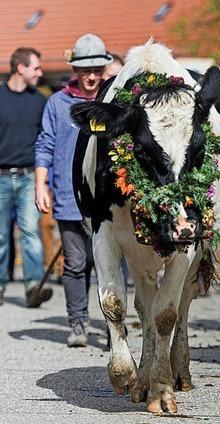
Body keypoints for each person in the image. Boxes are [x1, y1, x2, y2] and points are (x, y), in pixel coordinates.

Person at [35, 34, 112, 347]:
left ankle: (113, 324)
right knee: (76, 263)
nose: (91, 76)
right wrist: (41, 184)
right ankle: (78, 323)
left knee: (109, 266)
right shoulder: (57, 103)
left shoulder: (112, 102)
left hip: (108, 202)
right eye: (85, 71)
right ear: (75, 71)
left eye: (96, 69)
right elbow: (45, 144)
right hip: (68, 196)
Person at [0, 47, 51, 307]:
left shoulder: (40, 101)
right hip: (0, 177)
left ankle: (34, 286)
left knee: (31, 231)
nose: (40, 73)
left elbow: (46, 140)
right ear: (20, 68)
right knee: (0, 236)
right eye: (36, 68)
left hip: (30, 175)